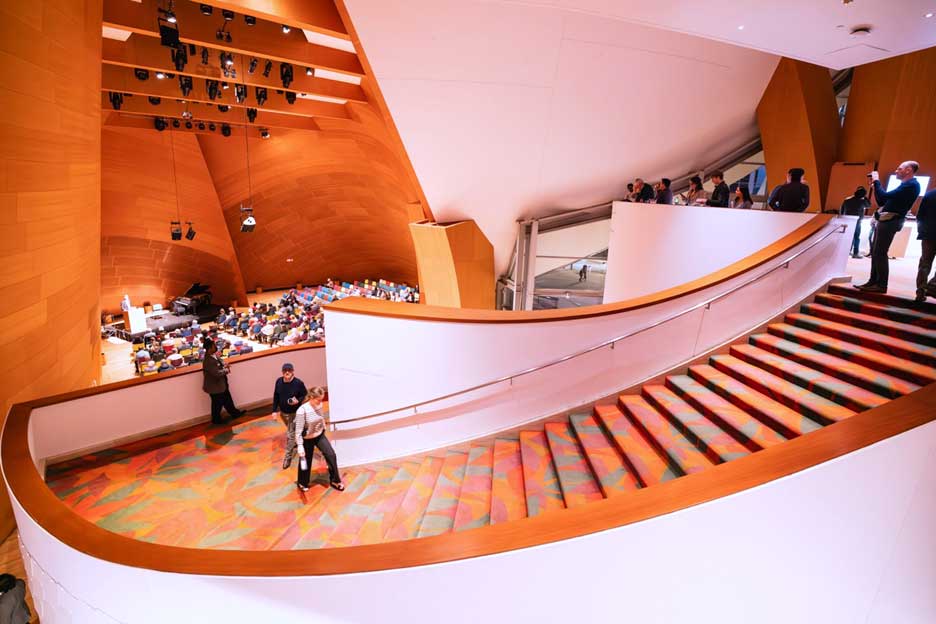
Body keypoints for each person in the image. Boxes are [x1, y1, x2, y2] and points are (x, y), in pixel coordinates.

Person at [855, 161, 922, 294]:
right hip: (887, 220)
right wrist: (875, 185)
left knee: (880, 252)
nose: (896, 171)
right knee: (875, 251)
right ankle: (873, 281)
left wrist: (877, 180)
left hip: (891, 221)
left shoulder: (911, 185)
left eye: (899, 168)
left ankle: (881, 285)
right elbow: (881, 200)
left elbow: (884, 196)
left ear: (908, 170)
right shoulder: (905, 185)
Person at [294, 387, 344, 492]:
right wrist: (300, 446)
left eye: (322, 399)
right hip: (307, 439)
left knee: (331, 454)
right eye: (319, 399)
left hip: (319, 435)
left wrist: (323, 424)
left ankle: (335, 480)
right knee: (306, 460)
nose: (321, 402)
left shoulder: (319, 404)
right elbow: (298, 431)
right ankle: (302, 482)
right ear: (311, 397)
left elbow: (320, 416)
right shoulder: (301, 411)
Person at [272, 362, 308, 469]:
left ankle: (287, 457)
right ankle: (302, 437)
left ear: (293, 371)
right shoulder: (278, 381)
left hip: (294, 413)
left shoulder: (298, 383)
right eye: (285, 370)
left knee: (290, 435)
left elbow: (304, 394)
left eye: (289, 370)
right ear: (282, 372)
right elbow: (276, 396)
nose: (287, 372)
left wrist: (298, 401)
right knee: (294, 429)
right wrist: (274, 410)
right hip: (283, 413)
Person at [202, 339, 243, 424]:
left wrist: (224, 364)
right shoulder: (208, 361)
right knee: (217, 405)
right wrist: (226, 370)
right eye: (214, 346)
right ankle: (216, 420)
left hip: (221, 384)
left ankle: (235, 413)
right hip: (215, 387)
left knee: (227, 400)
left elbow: (220, 361)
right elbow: (216, 373)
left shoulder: (213, 355)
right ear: (209, 348)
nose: (216, 347)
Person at [915, 188, 936, 302]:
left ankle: (920, 292)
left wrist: (922, 231)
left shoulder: (929, 194)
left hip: (928, 234)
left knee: (924, 264)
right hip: (929, 233)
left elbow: (920, 215)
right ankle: (932, 286)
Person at [840, 186, 871, 258]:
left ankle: (846, 252)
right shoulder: (862, 201)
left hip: (847, 221)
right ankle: (855, 253)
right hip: (857, 221)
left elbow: (841, 210)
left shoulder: (847, 199)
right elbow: (868, 205)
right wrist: (865, 197)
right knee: (856, 237)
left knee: (847, 237)